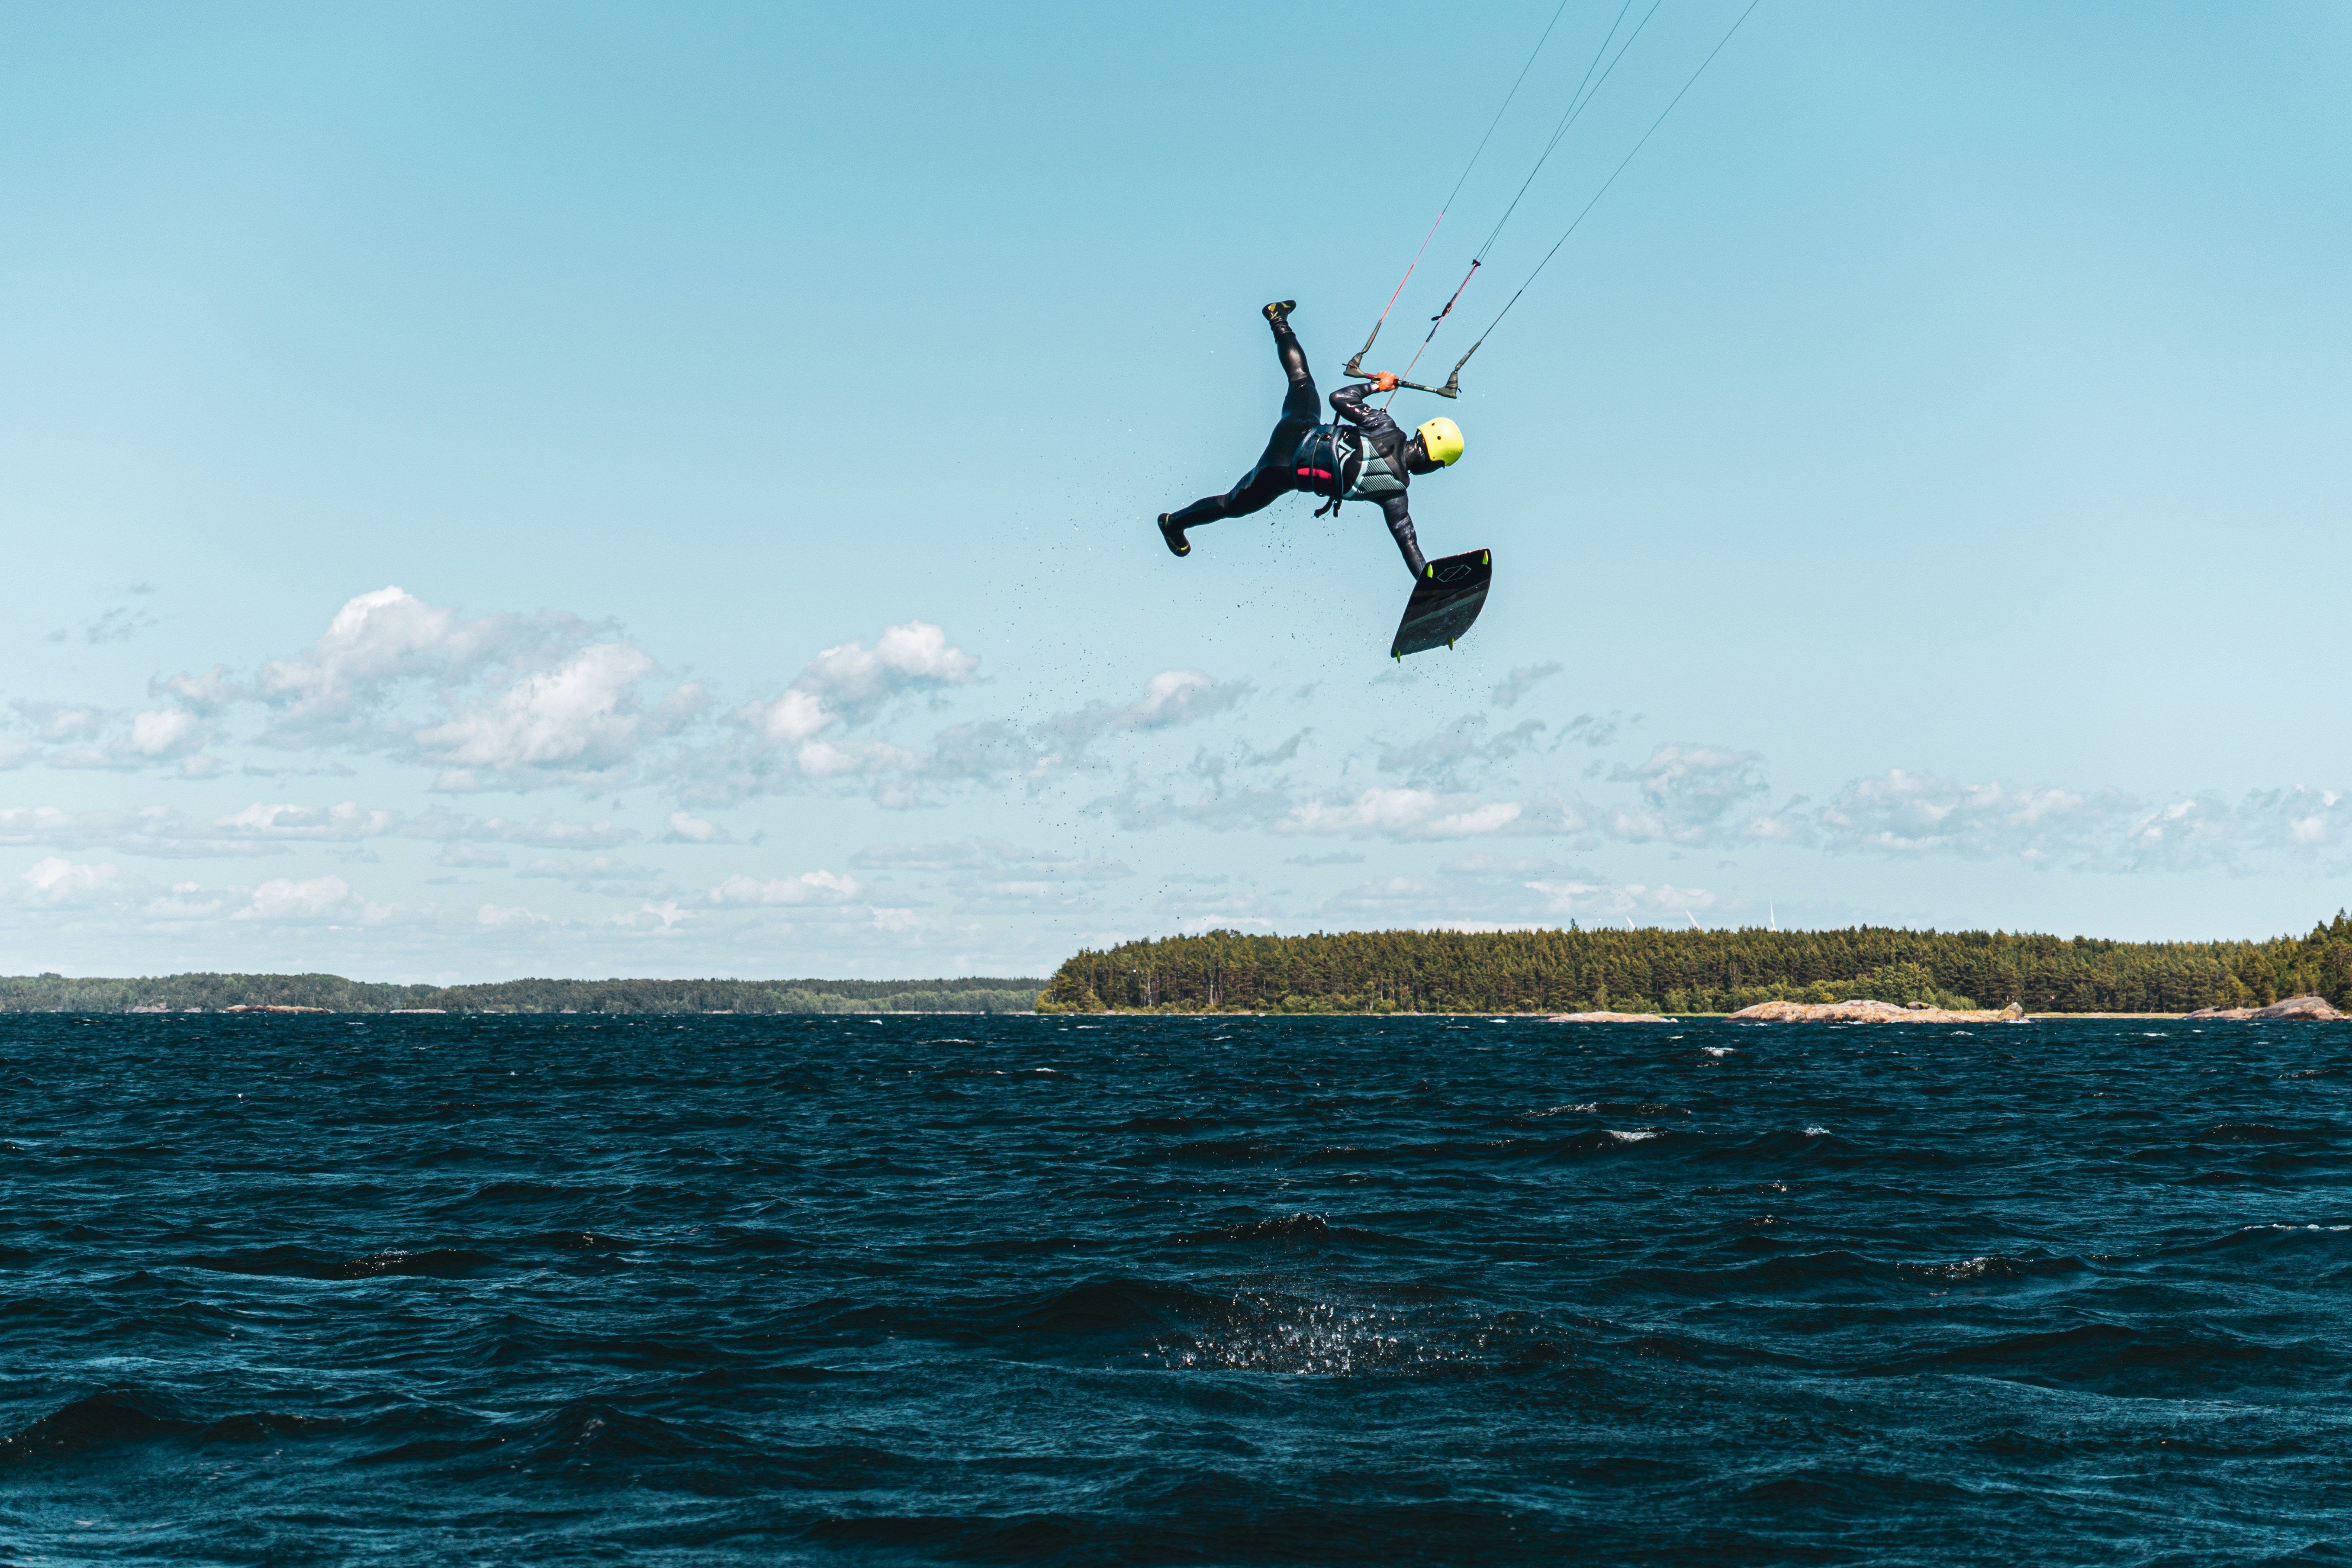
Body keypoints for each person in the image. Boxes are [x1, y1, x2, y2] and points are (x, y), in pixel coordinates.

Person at [1158, 301, 1464, 578]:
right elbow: (1407, 542)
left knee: (1301, 379)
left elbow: (1339, 397)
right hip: (1280, 472)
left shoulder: (1384, 425)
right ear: (1434, 461)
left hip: (1297, 429)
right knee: (1229, 504)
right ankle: (1173, 524)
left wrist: (1376, 386)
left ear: (1423, 433)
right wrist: (1428, 582)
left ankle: (1277, 318)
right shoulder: (1394, 494)